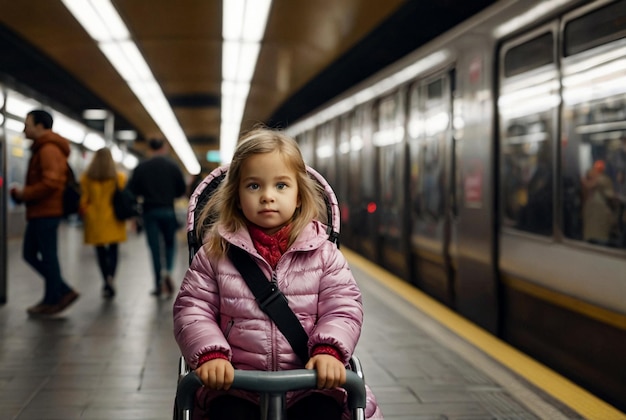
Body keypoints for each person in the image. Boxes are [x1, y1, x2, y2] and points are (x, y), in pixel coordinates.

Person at [173, 128, 382, 419]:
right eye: (254, 186)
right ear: (236, 196)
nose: (267, 197)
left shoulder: (325, 254)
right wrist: (211, 355)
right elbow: (192, 310)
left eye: (281, 186)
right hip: (234, 385)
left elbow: (343, 307)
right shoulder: (214, 254)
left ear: (299, 196)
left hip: (311, 385)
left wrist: (328, 350)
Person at [9, 109, 80, 316]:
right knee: (31, 254)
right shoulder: (43, 148)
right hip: (41, 211)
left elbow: (52, 181)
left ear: (40, 126)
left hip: (46, 211)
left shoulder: (48, 149)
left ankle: (54, 299)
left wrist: (24, 193)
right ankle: (61, 292)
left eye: (27, 124)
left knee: (47, 256)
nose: (24, 129)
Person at [127, 137, 186, 297]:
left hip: (149, 211)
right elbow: (181, 190)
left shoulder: (141, 167)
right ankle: (168, 271)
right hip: (168, 210)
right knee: (169, 244)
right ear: (164, 148)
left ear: (149, 149)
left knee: (154, 248)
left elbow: (132, 190)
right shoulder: (173, 167)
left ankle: (158, 282)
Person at [79, 148, 128, 298]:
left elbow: (83, 200)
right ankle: (111, 278)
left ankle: (105, 280)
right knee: (113, 250)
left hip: (94, 219)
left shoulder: (86, 178)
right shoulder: (118, 177)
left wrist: (87, 210)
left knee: (100, 252)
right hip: (113, 218)